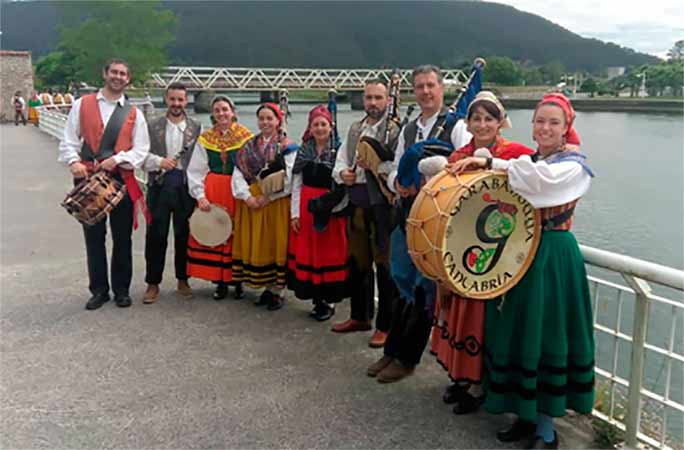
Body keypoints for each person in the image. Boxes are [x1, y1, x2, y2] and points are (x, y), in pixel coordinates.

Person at [448, 93, 594, 449]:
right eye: (540, 121)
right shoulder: (529, 160)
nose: (545, 128)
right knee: (518, 330)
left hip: (554, 255)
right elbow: (511, 183)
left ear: (566, 128)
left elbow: (539, 183)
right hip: (522, 252)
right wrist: (478, 165)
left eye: (553, 122)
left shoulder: (573, 166)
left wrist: (490, 162)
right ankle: (524, 417)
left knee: (546, 334)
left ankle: (546, 427)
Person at [429, 91, 534, 414]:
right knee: (458, 311)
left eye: (489, 118)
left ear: (501, 122)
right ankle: (461, 375)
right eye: (477, 118)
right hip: (462, 246)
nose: (483, 124)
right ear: (468, 122)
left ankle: (480, 384)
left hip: (499, 249)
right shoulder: (458, 156)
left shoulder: (518, 155)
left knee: (484, 317)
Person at [366, 65, 471, 383]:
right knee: (400, 281)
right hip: (408, 212)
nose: (425, 92)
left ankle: (408, 357)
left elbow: (463, 168)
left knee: (423, 288)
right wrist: (401, 182)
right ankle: (392, 351)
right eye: (420, 86)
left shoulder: (456, 126)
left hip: (436, 216)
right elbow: (394, 168)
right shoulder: (409, 129)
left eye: (430, 85)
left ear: (441, 88)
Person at [58, 58, 150, 310]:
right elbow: (68, 140)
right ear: (105, 74)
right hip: (87, 174)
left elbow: (141, 150)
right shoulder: (81, 105)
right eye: (114, 72)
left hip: (119, 177)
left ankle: (122, 290)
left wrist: (118, 159)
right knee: (94, 236)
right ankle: (99, 290)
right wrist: (73, 162)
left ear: (128, 79)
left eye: (123, 73)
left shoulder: (134, 113)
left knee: (123, 237)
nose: (118, 77)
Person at [330, 79, 401, 348]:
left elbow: (397, 167)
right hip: (357, 202)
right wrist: (343, 174)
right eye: (369, 97)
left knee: (385, 267)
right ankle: (360, 316)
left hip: (382, 207)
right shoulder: (355, 129)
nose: (373, 103)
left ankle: (385, 325)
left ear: (386, 100)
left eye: (378, 98)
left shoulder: (395, 131)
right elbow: (340, 161)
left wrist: (375, 163)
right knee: (357, 264)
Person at [232, 103, 297, 311]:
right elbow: (238, 173)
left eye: (270, 118)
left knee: (275, 242)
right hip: (253, 202)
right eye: (262, 118)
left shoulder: (287, 146)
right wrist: (247, 197)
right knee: (259, 243)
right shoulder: (248, 145)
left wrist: (268, 197)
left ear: (278, 121)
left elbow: (291, 178)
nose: (265, 122)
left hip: (275, 203)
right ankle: (265, 288)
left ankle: (278, 290)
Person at [186, 95, 253, 300]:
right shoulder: (205, 139)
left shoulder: (246, 137)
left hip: (237, 189)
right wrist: (200, 195)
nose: (222, 113)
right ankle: (220, 282)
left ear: (232, 111)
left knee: (237, 233)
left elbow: (252, 167)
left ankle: (238, 280)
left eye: (225, 109)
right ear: (213, 114)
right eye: (217, 110)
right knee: (216, 232)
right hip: (214, 189)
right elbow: (196, 169)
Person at [141, 82, 202, 303]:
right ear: (166, 99)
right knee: (155, 235)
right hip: (159, 185)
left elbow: (199, 160)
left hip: (185, 185)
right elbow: (140, 155)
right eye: (172, 99)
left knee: (184, 235)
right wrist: (159, 161)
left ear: (186, 101)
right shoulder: (152, 125)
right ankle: (152, 283)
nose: (176, 103)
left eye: (181, 99)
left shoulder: (196, 126)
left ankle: (183, 279)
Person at [287, 104, 348, 321]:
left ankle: (329, 300)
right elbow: (296, 183)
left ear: (330, 127)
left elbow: (343, 183)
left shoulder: (340, 150)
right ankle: (316, 298)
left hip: (329, 205)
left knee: (328, 252)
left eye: (323, 124)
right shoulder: (303, 150)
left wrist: (334, 207)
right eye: (316, 124)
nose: (320, 128)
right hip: (306, 205)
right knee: (311, 253)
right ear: (310, 128)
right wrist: (295, 213)